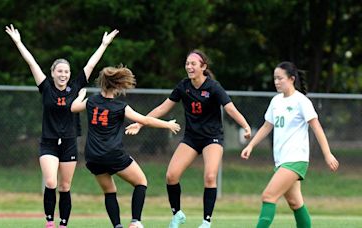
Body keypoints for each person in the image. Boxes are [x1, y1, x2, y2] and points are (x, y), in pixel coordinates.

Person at [5, 24, 119, 228]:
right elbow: (31, 63)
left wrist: (104, 44)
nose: (63, 74)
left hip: (69, 143)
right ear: (53, 73)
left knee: (65, 186)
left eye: (66, 71)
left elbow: (91, 65)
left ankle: (63, 224)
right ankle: (50, 222)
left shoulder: (75, 87)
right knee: (51, 183)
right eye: (59, 71)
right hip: (49, 143)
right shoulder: (46, 87)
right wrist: (18, 42)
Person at [125, 49, 251, 228]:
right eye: (187, 63)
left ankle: (206, 222)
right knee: (171, 176)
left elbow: (230, 109)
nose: (189, 67)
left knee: (209, 176)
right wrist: (140, 123)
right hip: (192, 138)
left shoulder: (213, 87)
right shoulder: (183, 86)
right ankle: (177, 214)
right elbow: (162, 108)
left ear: (203, 67)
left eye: (193, 64)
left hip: (212, 138)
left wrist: (245, 126)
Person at [71, 64, 181, 228]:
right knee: (141, 182)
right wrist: (167, 124)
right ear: (116, 85)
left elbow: (73, 108)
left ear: (101, 83)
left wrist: (80, 95)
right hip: (113, 154)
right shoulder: (120, 107)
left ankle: (117, 225)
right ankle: (135, 222)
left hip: (93, 156)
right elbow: (145, 120)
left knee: (109, 191)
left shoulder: (91, 101)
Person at [240, 61, 339, 228]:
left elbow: (317, 128)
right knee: (295, 203)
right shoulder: (276, 101)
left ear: (292, 79)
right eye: (275, 78)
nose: (276, 82)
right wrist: (251, 145)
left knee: (268, 196)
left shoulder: (301, 101)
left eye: (280, 78)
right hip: (282, 160)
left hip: (296, 158)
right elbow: (266, 126)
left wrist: (327, 154)